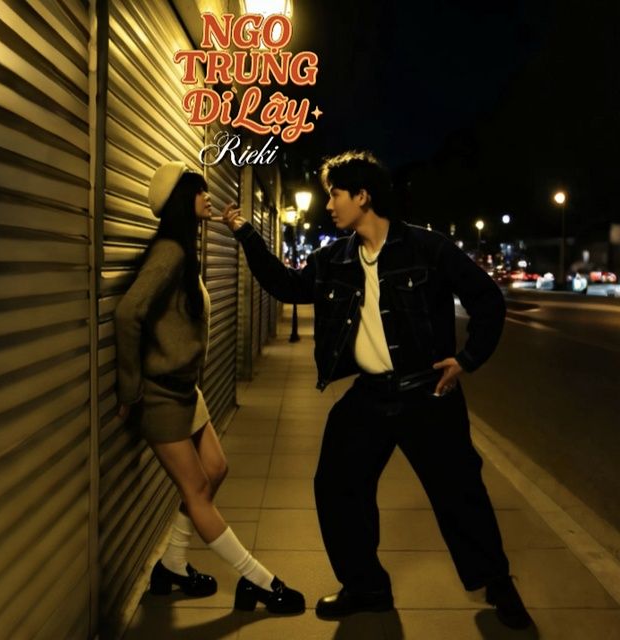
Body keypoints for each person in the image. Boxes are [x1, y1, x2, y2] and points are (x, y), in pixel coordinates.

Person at [222, 150, 532, 630]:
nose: (329, 205)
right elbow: (286, 286)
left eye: (335, 195)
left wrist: (467, 359)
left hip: (428, 393)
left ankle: (498, 584)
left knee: (459, 492)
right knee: (336, 485)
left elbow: (488, 300)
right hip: (370, 395)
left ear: (363, 196)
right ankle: (366, 586)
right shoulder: (335, 259)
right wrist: (245, 232)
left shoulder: (427, 248)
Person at [115, 161, 304, 615]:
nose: (207, 196)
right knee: (197, 487)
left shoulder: (185, 248)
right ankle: (259, 581)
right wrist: (130, 390)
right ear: (183, 200)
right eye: (199, 191)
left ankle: (172, 566)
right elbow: (127, 313)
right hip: (160, 394)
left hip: (185, 390)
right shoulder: (170, 253)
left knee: (216, 469)